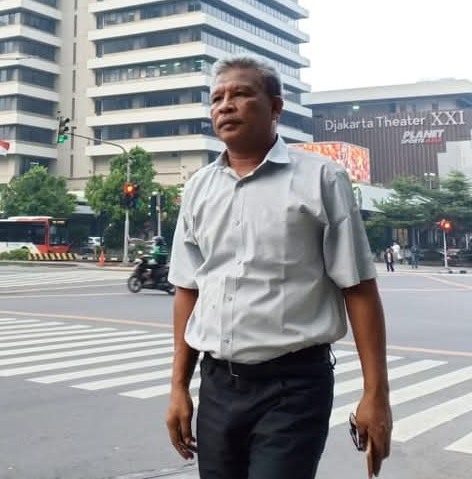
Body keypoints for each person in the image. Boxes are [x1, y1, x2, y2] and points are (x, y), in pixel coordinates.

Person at [166, 56, 392, 479]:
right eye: (217, 98)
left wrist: (376, 396)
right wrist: (179, 387)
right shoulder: (198, 188)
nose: (225, 105)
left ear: (275, 107)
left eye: (240, 94)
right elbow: (188, 290)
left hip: (293, 387)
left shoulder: (322, 179)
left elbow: (358, 288)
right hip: (218, 385)